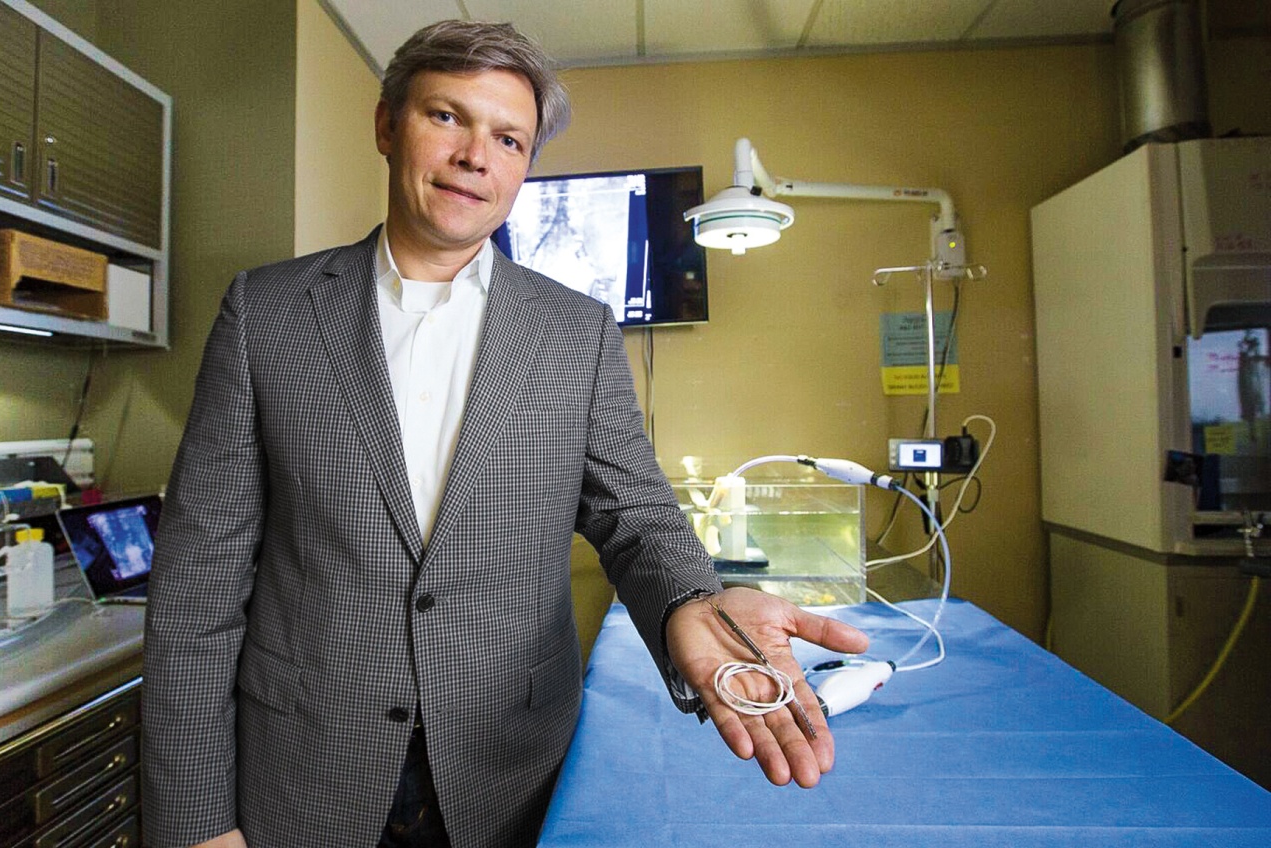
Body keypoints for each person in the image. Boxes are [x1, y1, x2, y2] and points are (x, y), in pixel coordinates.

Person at [142, 19, 868, 848]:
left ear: (525, 164)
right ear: (387, 126)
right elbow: (197, 590)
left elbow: (636, 516)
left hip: (508, 775)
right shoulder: (265, 315)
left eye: (509, 138)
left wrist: (691, 603)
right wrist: (198, 823)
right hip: (303, 775)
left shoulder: (576, 332)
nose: (475, 156)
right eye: (446, 117)